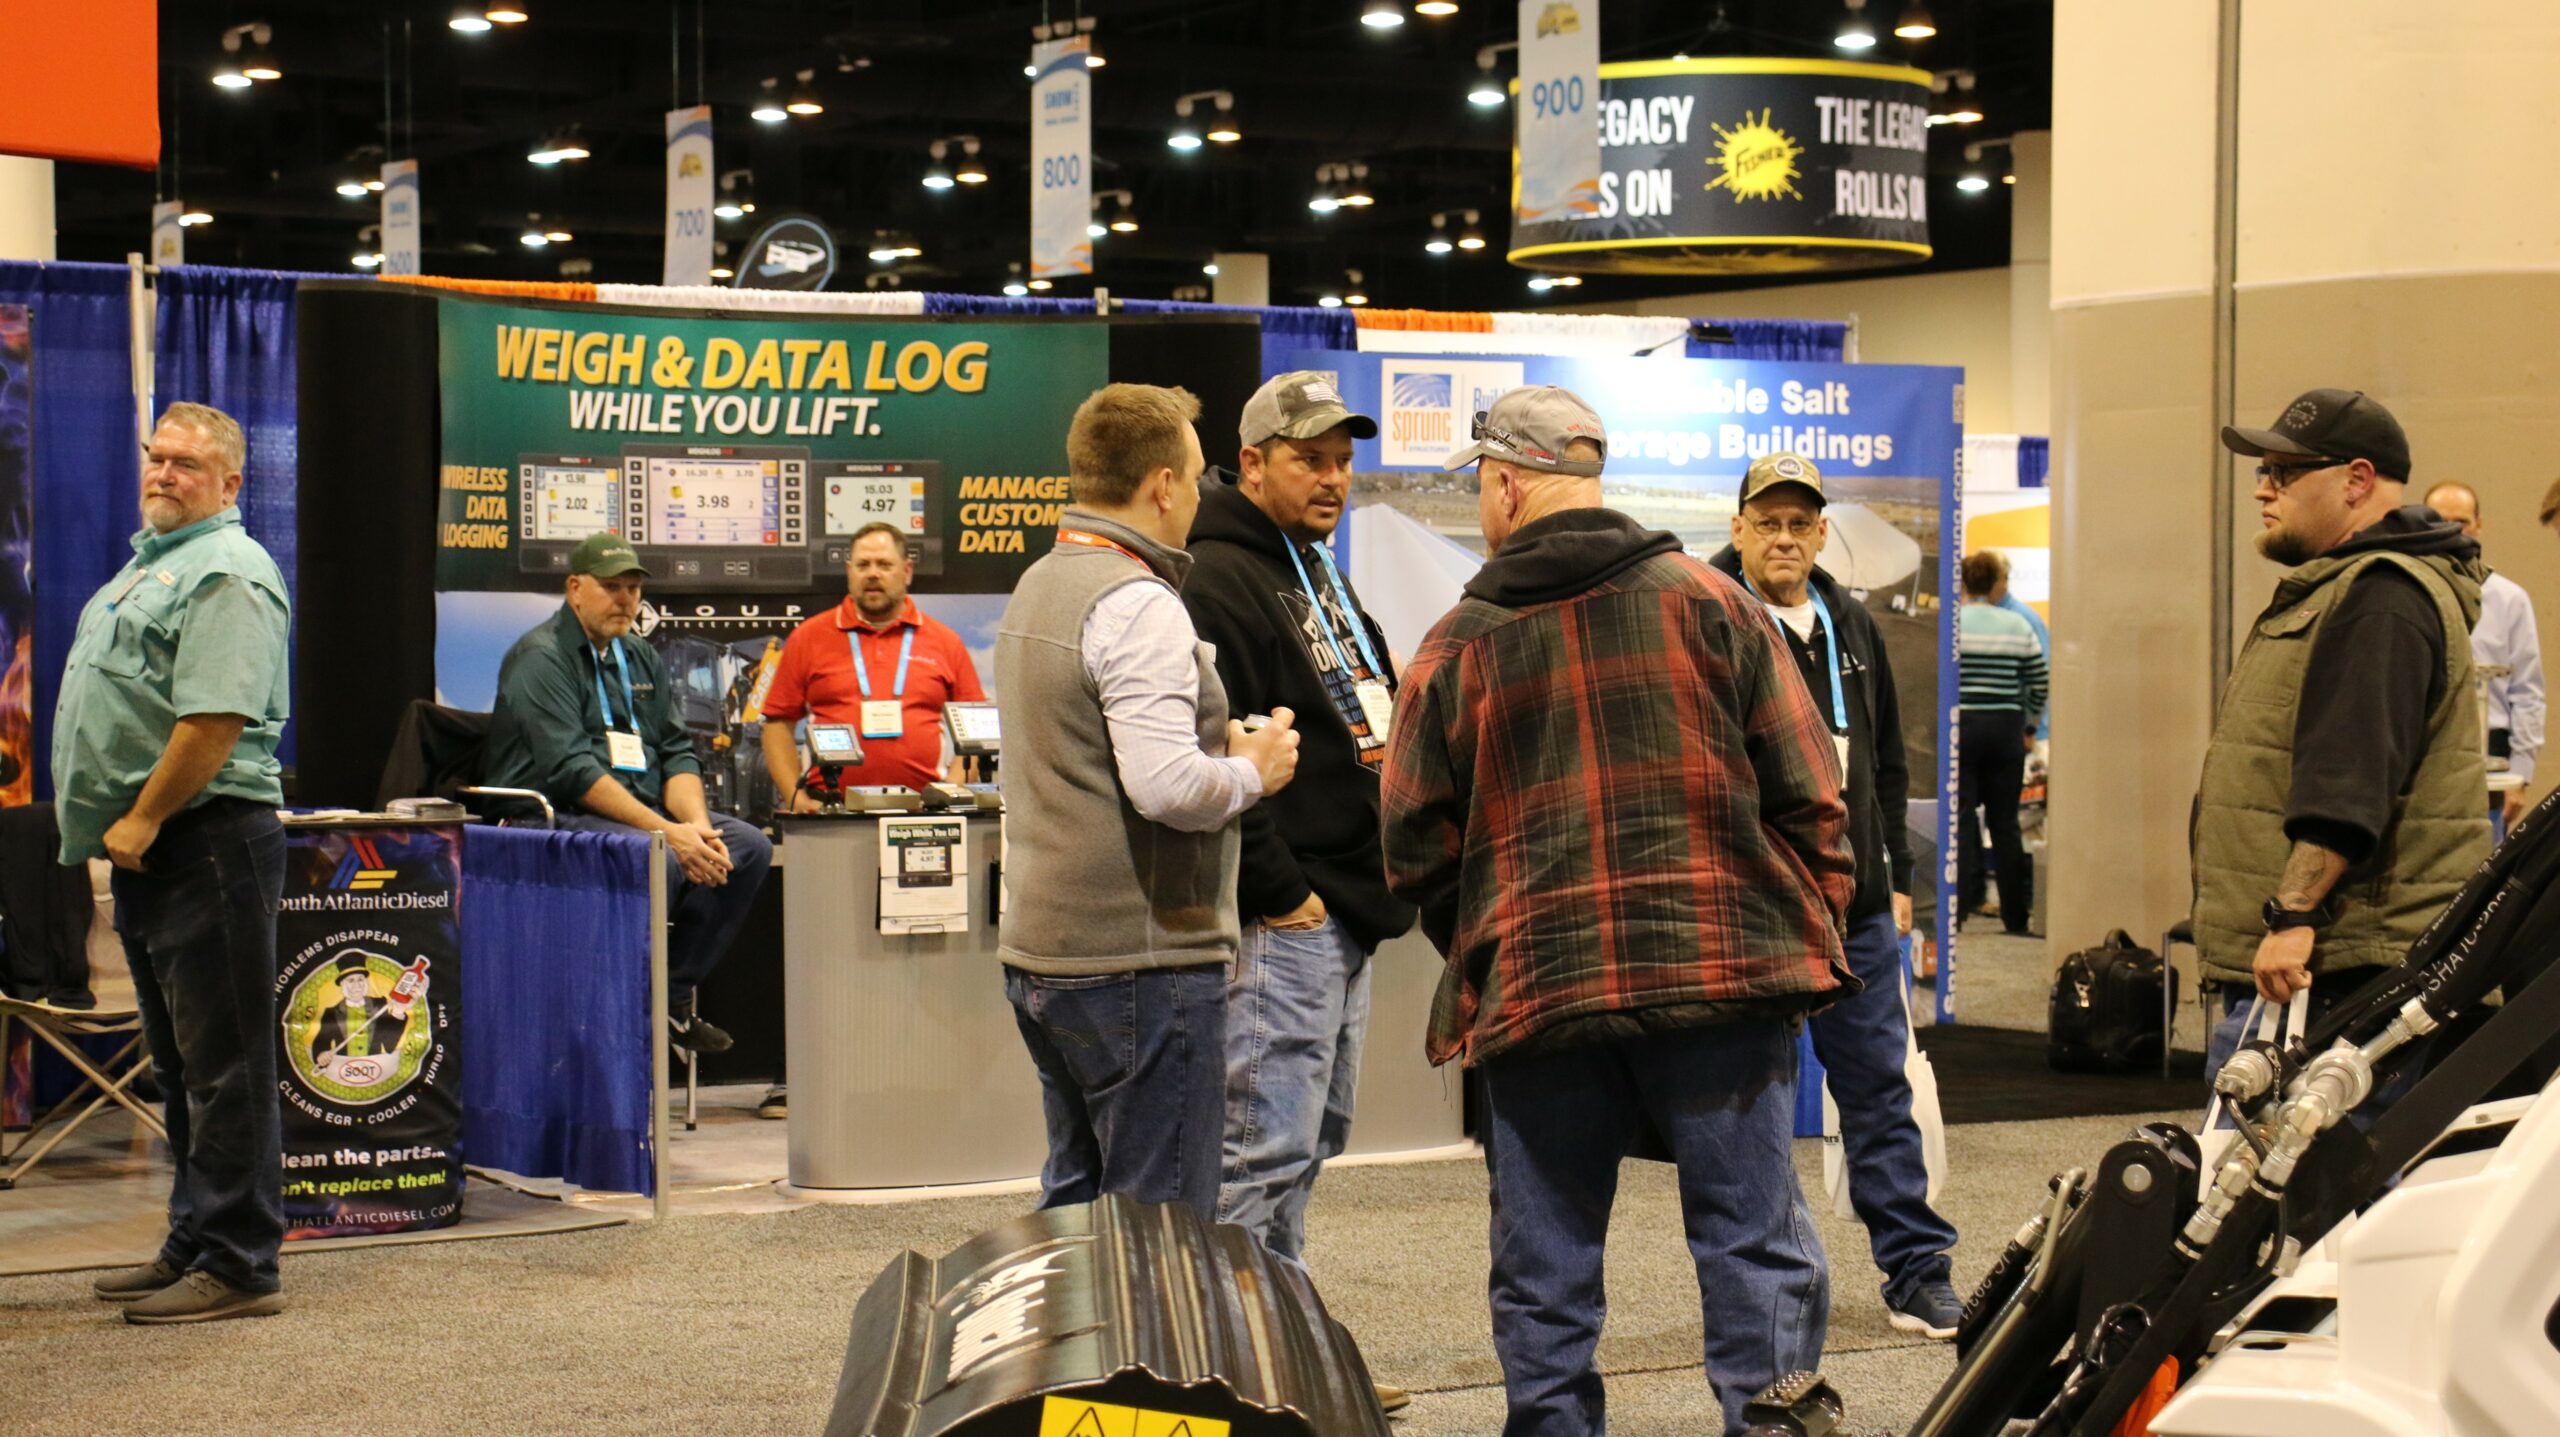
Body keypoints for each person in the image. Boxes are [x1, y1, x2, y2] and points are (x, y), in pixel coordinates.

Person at [1380, 386, 1855, 1437]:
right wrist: (1796, 930)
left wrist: (1490, 943)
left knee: (1544, 1265)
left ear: (1503, 484)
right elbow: (1813, 793)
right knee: (1752, 1243)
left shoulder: (1455, 645)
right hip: (1724, 980)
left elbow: (1415, 844)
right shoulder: (1714, 602)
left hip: (1541, 996)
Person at [993, 383, 1302, 1222]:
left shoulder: (1038, 585)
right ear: (1162, 484)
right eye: (1198, 476)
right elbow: (1166, 786)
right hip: (1141, 962)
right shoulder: (1137, 603)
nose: (1201, 494)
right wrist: (1253, 770)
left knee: (1075, 1210)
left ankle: (1070, 1360)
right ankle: (1139, 1364)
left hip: (1046, 954)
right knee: (1156, 1229)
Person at [1708, 452, 1964, 1340]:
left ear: (1821, 533)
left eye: (1799, 523)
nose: (1783, 537)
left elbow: (1885, 765)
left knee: (1879, 1088)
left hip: (1853, 906)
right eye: (1766, 521)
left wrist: (1891, 881)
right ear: (1738, 527)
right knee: (1751, 1103)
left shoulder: (1847, 619)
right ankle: (1773, 1290)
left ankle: (1918, 1270)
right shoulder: (1705, 613)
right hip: (1753, 908)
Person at [61, 402, 292, 1323]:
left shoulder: (229, 571)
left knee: (227, 1066)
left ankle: (241, 1263)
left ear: (231, 483)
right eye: (156, 457)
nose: (163, 473)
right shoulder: (152, 565)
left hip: (205, 835)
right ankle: (195, 1238)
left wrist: (144, 817)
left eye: (187, 464)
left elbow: (214, 720)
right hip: (160, 844)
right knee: (183, 1067)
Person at [1179, 372, 1414, 1265]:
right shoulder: (1219, 577)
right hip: (1288, 920)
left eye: (1343, 461)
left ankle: (1287, 1352)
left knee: (1308, 1146)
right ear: (1251, 462)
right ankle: (1224, 1368)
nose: (1332, 478)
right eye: (1308, 459)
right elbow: (1213, 756)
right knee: (1255, 1154)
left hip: (1345, 911)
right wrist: (1285, 893)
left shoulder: (1314, 569)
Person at [2198, 389, 2488, 1076]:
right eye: (2261, 472)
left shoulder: (2381, 596)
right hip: (2329, 966)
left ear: (2357, 480)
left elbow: (2349, 778)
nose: (2264, 489)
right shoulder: (2344, 587)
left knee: (2303, 1180)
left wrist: (2292, 915)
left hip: (2337, 974)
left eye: (2285, 472)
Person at [483, 530, 773, 1055]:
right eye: (612, 586)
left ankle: (667, 995)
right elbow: (571, 770)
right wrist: (669, 833)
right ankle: (611, 1011)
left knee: (747, 846)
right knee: (655, 857)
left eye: (634, 589)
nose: (626, 600)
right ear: (575, 588)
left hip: (633, 816)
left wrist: (698, 828)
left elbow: (677, 751)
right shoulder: (539, 657)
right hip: (545, 818)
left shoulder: (638, 656)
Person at [754, 520, 986, 1118]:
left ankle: (926, 1078)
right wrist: (793, 792)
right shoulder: (810, 639)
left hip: (922, 823)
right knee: (824, 958)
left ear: (907, 571)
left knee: (927, 963)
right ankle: (799, 1078)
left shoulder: (943, 642)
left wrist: (957, 783)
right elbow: (776, 722)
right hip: (836, 826)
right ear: (848, 572)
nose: (873, 574)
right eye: (861, 564)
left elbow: (973, 725)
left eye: (884, 564)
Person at [2422, 481, 2543, 832]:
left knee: (2480, 870)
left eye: (2461, 522)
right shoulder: (2407, 593)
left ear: (2478, 525)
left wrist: (2520, 773)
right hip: (2424, 755)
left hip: (2489, 757)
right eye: (2439, 521)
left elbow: (2527, 691)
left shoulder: (2509, 599)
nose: (2450, 531)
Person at [1956, 549, 2045, 934]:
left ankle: (1955, 913)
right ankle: (2015, 916)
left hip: (1963, 727)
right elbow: (2039, 680)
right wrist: (2026, 724)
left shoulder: (1953, 623)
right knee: (2005, 822)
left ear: (1963, 582)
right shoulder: (2017, 624)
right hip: (2006, 728)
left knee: (1958, 820)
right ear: (1995, 583)